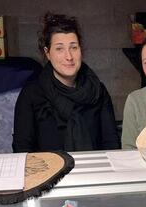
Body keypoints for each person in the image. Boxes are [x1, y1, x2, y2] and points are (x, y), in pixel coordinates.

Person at [13, 12, 119, 152]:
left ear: (81, 50)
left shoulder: (98, 91)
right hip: (48, 173)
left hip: (93, 171)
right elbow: (22, 151)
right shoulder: (31, 95)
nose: (68, 56)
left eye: (73, 47)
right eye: (59, 49)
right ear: (47, 53)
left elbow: (111, 144)